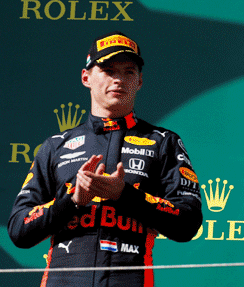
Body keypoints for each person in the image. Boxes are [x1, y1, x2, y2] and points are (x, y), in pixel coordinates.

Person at [8, 32, 203, 287]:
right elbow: (19, 229)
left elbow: (188, 223)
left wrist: (126, 195)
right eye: (109, 70)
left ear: (140, 81)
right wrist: (72, 200)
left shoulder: (163, 141)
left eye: (129, 72)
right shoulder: (56, 146)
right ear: (86, 77)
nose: (119, 79)